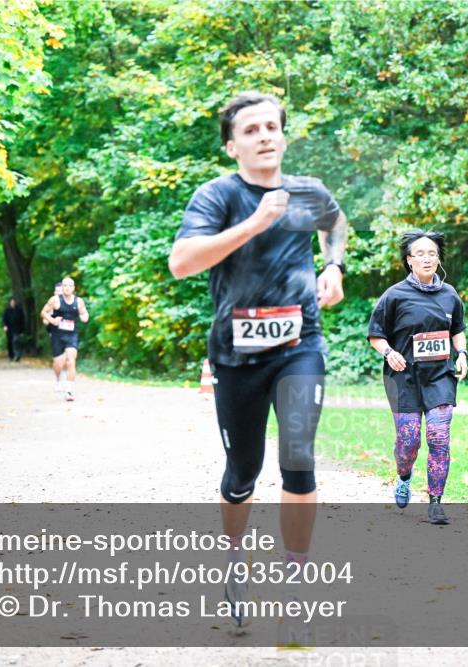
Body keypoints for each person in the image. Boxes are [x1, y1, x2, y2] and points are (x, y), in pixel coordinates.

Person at [168, 91, 348, 628]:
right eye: (251, 130)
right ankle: (234, 559)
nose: (265, 136)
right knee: (242, 471)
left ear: (283, 136)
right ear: (232, 147)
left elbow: (335, 222)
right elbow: (181, 263)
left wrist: (334, 266)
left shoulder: (308, 191)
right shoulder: (217, 196)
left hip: (300, 344)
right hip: (236, 355)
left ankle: (295, 579)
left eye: (272, 127)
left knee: (298, 456)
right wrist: (253, 223)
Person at [367, 230, 467, 525]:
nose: (427, 258)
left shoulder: (450, 295)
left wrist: (462, 354)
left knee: (439, 437)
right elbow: (375, 335)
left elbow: (458, 330)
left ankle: (436, 502)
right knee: (408, 442)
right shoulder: (394, 295)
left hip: (439, 376)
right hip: (403, 377)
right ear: (409, 260)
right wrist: (389, 353)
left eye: (432, 253)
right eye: (420, 254)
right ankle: (404, 476)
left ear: (439, 259)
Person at [40, 276, 89, 401]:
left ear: (73, 288)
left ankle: (69, 391)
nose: (67, 288)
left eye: (70, 286)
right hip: (57, 335)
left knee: (71, 361)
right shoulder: (55, 300)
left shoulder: (79, 301)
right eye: (65, 286)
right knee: (58, 363)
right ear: (62, 287)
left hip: (72, 334)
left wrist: (84, 317)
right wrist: (52, 320)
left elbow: (84, 313)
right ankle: (57, 379)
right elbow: (43, 312)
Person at [46, 282, 67, 390]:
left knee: (68, 356)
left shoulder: (70, 302)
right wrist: (52, 320)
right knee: (58, 359)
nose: (59, 293)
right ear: (54, 292)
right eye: (57, 291)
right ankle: (58, 379)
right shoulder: (51, 304)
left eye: (61, 291)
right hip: (55, 333)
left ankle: (66, 378)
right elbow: (45, 320)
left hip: (68, 333)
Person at [2, 297, 25, 362]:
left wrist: (22, 330)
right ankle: (11, 356)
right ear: (10, 303)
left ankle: (17, 355)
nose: (13, 303)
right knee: (10, 342)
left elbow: (22, 321)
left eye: (14, 302)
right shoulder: (7, 310)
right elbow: (4, 319)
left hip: (17, 329)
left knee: (16, 341)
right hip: (9, 329)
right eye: (12, 302)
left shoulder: (19, 310)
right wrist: (5, 326)